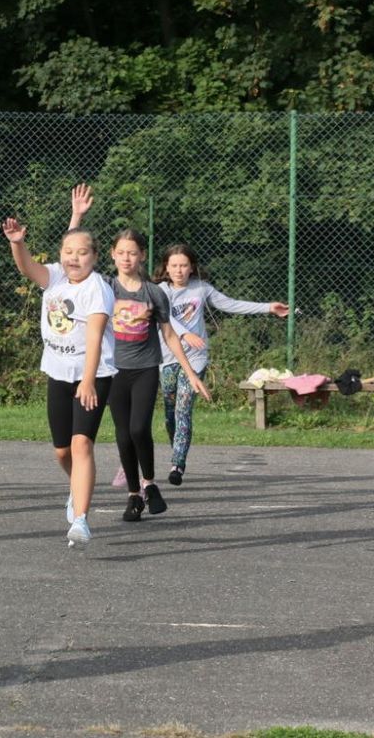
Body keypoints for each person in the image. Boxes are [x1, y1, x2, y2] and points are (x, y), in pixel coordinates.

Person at [68, 185, 210, 522]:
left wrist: (191, 373)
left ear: (142, 256)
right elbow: (73, 255)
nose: (127, 258)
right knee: (121, 433)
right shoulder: (104, 286)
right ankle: (134, 494)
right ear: (113, 256)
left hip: (146, 369)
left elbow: (170, 335)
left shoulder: (153, 293)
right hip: (113, 371)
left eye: (133, 253)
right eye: (121, 252)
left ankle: (149, 482)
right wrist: (77, 216)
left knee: (137, 429)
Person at [1, 216, 117, 548]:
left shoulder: (98, 289)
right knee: (62, 451)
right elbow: (27, 269)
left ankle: (80, 519)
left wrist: (89, 380)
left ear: (94, 257)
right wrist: (16, 243)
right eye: (68, 251)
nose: (74, 258)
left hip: (93, 376)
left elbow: (94, 338)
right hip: (58, 373)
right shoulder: (54, 278)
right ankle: (77, 487)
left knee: (82, 445)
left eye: (81, 252)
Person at [153, 243, 290, 484]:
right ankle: (177, 446)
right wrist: (184, 334)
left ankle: (177, 465)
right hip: (168, 358)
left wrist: (268, 308)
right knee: (170, 414)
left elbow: (231, 304)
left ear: (192, 267)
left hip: (196, 359)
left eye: (184, 265)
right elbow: (165, 318)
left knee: (184, 409)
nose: (179, 270)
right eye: (173, 265)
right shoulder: (161, 290)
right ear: (166, 267)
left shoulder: (201, 289)